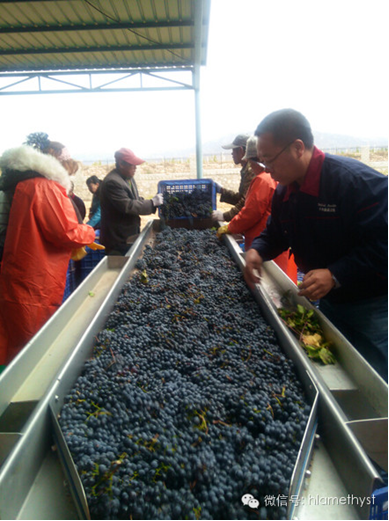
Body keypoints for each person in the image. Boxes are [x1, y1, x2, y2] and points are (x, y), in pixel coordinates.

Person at [244, 108, 388, 381]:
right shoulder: (285, 190)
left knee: (377, 379)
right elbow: (276, 233)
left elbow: (383, 246)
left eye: (270, 160)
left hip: (373, 307)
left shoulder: (355, 183)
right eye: (262, 162)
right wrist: (256, 250)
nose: (267, 169)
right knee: (344, 373)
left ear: (298, 148)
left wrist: (335, 274)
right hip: (331, 302)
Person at [0, 145, 96, 365]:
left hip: (21, 270)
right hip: (37, 276)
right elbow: (65, 231)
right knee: (33, 344)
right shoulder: (44, 187)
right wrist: (90, 232)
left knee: (15, 338)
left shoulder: (23, 183)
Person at [217, 136, 289, 272]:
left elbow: (250, 213)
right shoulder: (270, 178)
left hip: (264, 245)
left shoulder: (262, 180)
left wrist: (230, 227)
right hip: (270, 243)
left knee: (270, 282)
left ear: (255, 161)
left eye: (250, 161)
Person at [100, 148, 163, 255]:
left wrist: (149, 201)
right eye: (132, 165)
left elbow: (134, 199)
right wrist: (152, 203)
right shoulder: (112, 182)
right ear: (121, 164)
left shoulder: (128, 177)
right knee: (120, 266)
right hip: (118, 238)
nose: (135, 167)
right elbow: (128, 205)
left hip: (128, 234)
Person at [212, 133, 256, 222]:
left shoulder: (251, 170)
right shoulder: (246, 169)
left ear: (240, 150)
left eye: (233, 150)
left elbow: (245, 202)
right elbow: (241, 198)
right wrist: (222, 191)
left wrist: (225, 216)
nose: (232, 154)